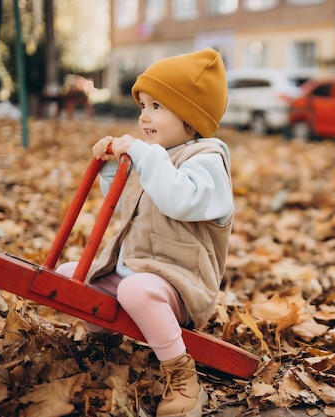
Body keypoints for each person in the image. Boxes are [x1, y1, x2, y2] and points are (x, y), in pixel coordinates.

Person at [56, 48, 233, 417]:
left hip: (181, 284)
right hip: (134, 270)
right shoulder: (156, 157)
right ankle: (103, 343)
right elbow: (127, 205)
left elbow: (176, 200)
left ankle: (181, 373)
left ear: (190, 117)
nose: (144, 117)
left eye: (157, 107)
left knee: (136, 290)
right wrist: (111, 169)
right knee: (69, 277)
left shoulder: (208, 164)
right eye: (142, 106)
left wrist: (144, 155)